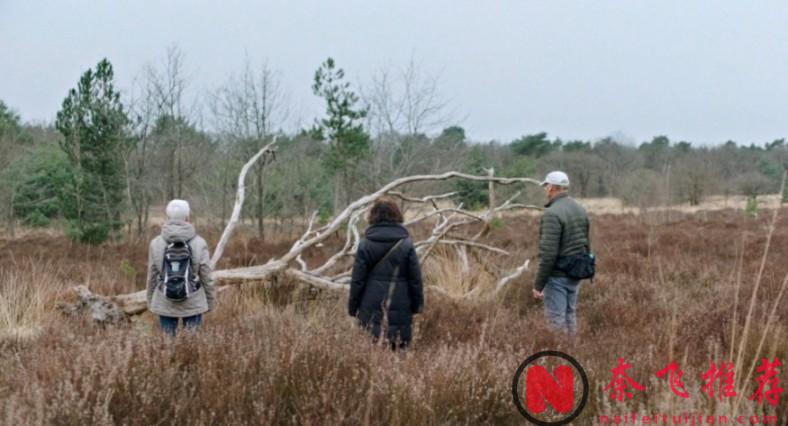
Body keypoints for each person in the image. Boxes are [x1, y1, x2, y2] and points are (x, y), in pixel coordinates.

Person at [349, 198, 424, 350]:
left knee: (370, 352)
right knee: (399, 352)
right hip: (401, 304)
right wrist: (417, 306)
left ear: (373, 216)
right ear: (397, 215)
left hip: (370, 305)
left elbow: (357, 281)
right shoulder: (407, 244)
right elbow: (415, 280)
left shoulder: (364, 244)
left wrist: (353, 307)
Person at [532, 171, 591, 336]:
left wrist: (538, 285)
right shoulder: (580, 209)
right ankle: (573, 352)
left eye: (546, 186)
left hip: (557, 276)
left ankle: (559, 356)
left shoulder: (552, 213)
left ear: (551, 187)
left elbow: (548, 254)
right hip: (576, 273)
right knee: (570, 316)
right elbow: (587, 243)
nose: (545, 189)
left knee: (555, 322)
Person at [146, 199, 216, 336]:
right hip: (193, 301)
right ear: (188, 217)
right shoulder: (199, 243)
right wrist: (210, 302)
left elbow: (151, 276)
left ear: (167, 217)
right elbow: (206, 276)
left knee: (167, 346)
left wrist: (150, 301)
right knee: (192, 346)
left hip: (164, 300)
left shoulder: (155, 243)